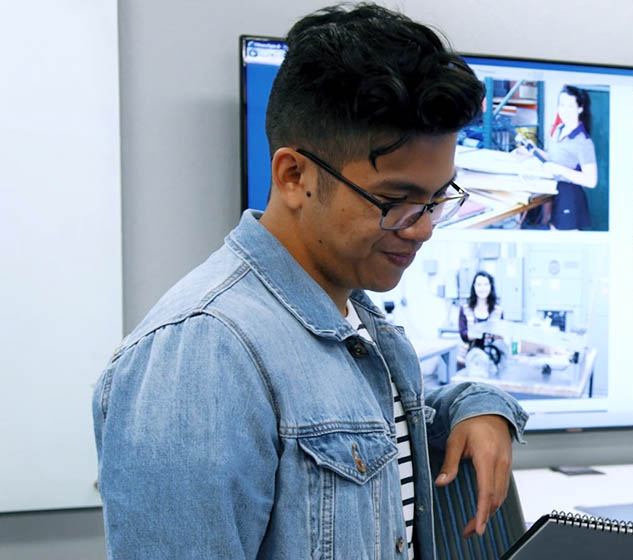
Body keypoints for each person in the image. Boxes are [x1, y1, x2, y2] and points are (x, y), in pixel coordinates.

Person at [91, 5, 527, 559]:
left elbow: (368, 432)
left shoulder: (354, 316)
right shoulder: (204, 352)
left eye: (438, 199)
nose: (422, 230)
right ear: (294, 176)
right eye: (395, 202)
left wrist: (477, 403)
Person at [521, 85, 598, 230]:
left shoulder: (583, 142)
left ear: (580, 109)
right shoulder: (558, 129)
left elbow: (591, 181)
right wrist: (532, 151)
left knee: (566, 244)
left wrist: (559, 169)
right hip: (554, 189)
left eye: (570, 106)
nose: (564, 110)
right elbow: (554, 157)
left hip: (569, 195)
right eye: (561, 105)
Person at [458, 271, 504, 350]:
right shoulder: (465, 308)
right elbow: (463, 335)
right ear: (474, 286)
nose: (482, 288)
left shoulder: (498, 310)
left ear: (490, 286)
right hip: (468, 357)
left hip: (491, 357)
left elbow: (500, 336)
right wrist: (482, 331)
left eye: (486, 284)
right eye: (479, 285)